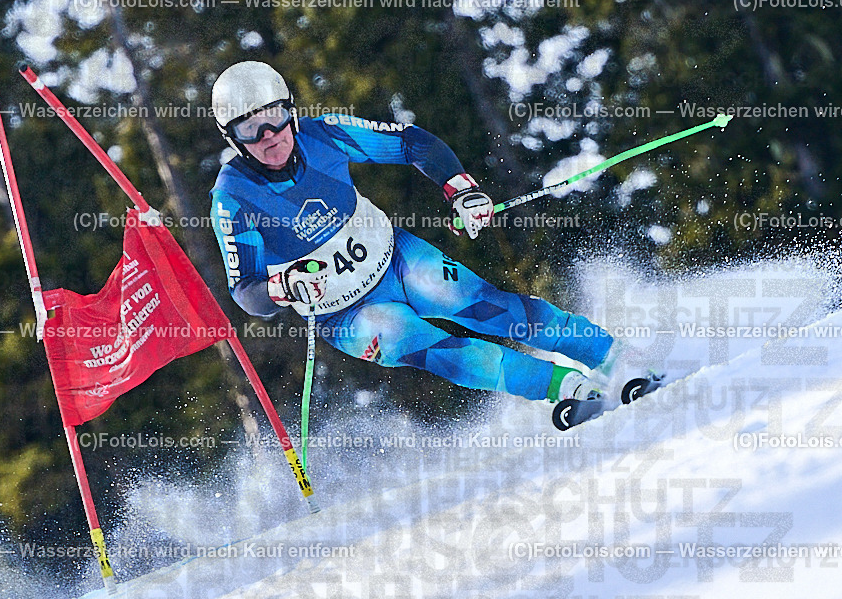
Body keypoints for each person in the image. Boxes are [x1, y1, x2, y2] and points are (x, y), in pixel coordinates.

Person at [208, 61, 619, 405]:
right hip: (345, 313)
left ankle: (611, 356)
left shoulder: (322, 134)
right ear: (232, 138)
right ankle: (563, 388)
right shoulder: (232, 197)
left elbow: (410, 142)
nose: (269, 138)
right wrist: (286, 287)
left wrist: (461, 189)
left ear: (291, 111)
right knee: (440, 353)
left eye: (274, 118)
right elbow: (246, 291)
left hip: (397, 259)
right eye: (250, 129)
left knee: (489, 307)